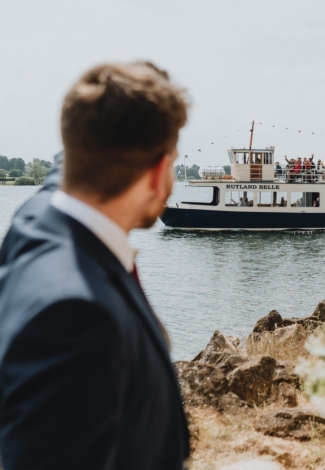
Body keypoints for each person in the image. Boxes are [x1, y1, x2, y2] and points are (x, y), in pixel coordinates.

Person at [0, 62, 190, 469]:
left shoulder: (36, 217)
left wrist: (136, 89)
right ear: (158, 173)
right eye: (173, 161)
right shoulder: (77, 320)